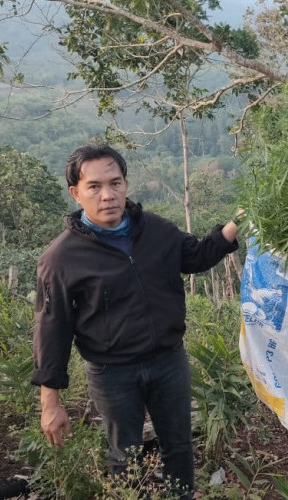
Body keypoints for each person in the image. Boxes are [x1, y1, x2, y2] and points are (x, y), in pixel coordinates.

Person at [31, 143, 240, 497]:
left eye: (115, 183)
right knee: (125, 456)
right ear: (76, 193)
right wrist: (50, 402)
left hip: (168, 361)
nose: (107, 195)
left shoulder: (155, 230)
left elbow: (197, 256)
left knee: (178, 447)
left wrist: (242, 219)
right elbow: (52, 329)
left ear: (126, 184)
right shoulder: (61, 258)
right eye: (94, 187)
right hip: (112, 373)